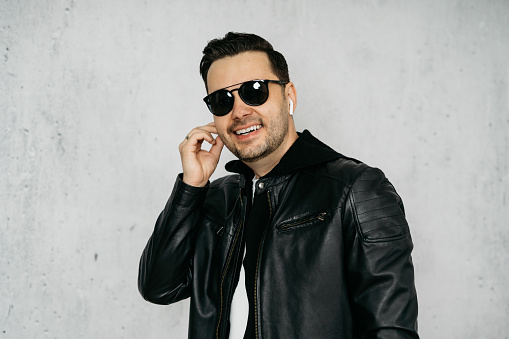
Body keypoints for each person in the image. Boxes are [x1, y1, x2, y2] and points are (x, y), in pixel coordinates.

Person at [138, 32, 419, 339]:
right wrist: (191, 186)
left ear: (289, 96)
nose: (240, 111)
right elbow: (159, 288)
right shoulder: (217, 198)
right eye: (222, 100)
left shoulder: (355, 189)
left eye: (254, 91)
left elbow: (391, 331)